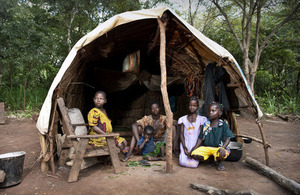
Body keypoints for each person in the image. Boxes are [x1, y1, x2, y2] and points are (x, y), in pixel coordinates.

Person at [190, 101, 235, 171]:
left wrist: (223, 148)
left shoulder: (223, 125)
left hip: (218, 148)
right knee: (194, 154)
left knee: (221, 154)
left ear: (219, 113)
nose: (210, 113)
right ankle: (209, 158)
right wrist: (194, 148)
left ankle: (219, 162)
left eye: (213, 111)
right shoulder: (206, 124)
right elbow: (200, 138)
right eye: (209, 111)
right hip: (207, 148)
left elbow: (228, 138)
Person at [178, 96, 207, 168]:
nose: (192, 107)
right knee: (182, 162)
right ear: (188, 106)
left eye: (194, 105)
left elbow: (201, 135)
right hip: (186, 143)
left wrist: (195, 148)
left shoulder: (201, 119)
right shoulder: (183, 119)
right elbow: (181, 134)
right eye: (190, 105)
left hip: (196, 143)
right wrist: (184, 147)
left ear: (197, 106)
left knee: (194, 164)